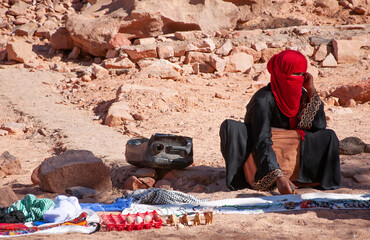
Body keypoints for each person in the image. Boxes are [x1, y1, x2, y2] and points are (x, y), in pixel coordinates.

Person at [220, 50, 341, 194]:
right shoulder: (263, 100)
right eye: (294, 75)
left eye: (302, 74)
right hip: (264, 154)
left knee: (328, 136)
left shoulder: (301, 95)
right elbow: (262, 140)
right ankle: (276, 178)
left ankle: (303, 178)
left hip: (292, 149)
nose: (299, 79)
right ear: (281, 75)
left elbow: (319, 126)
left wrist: (311, 91)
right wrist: (278, 176)